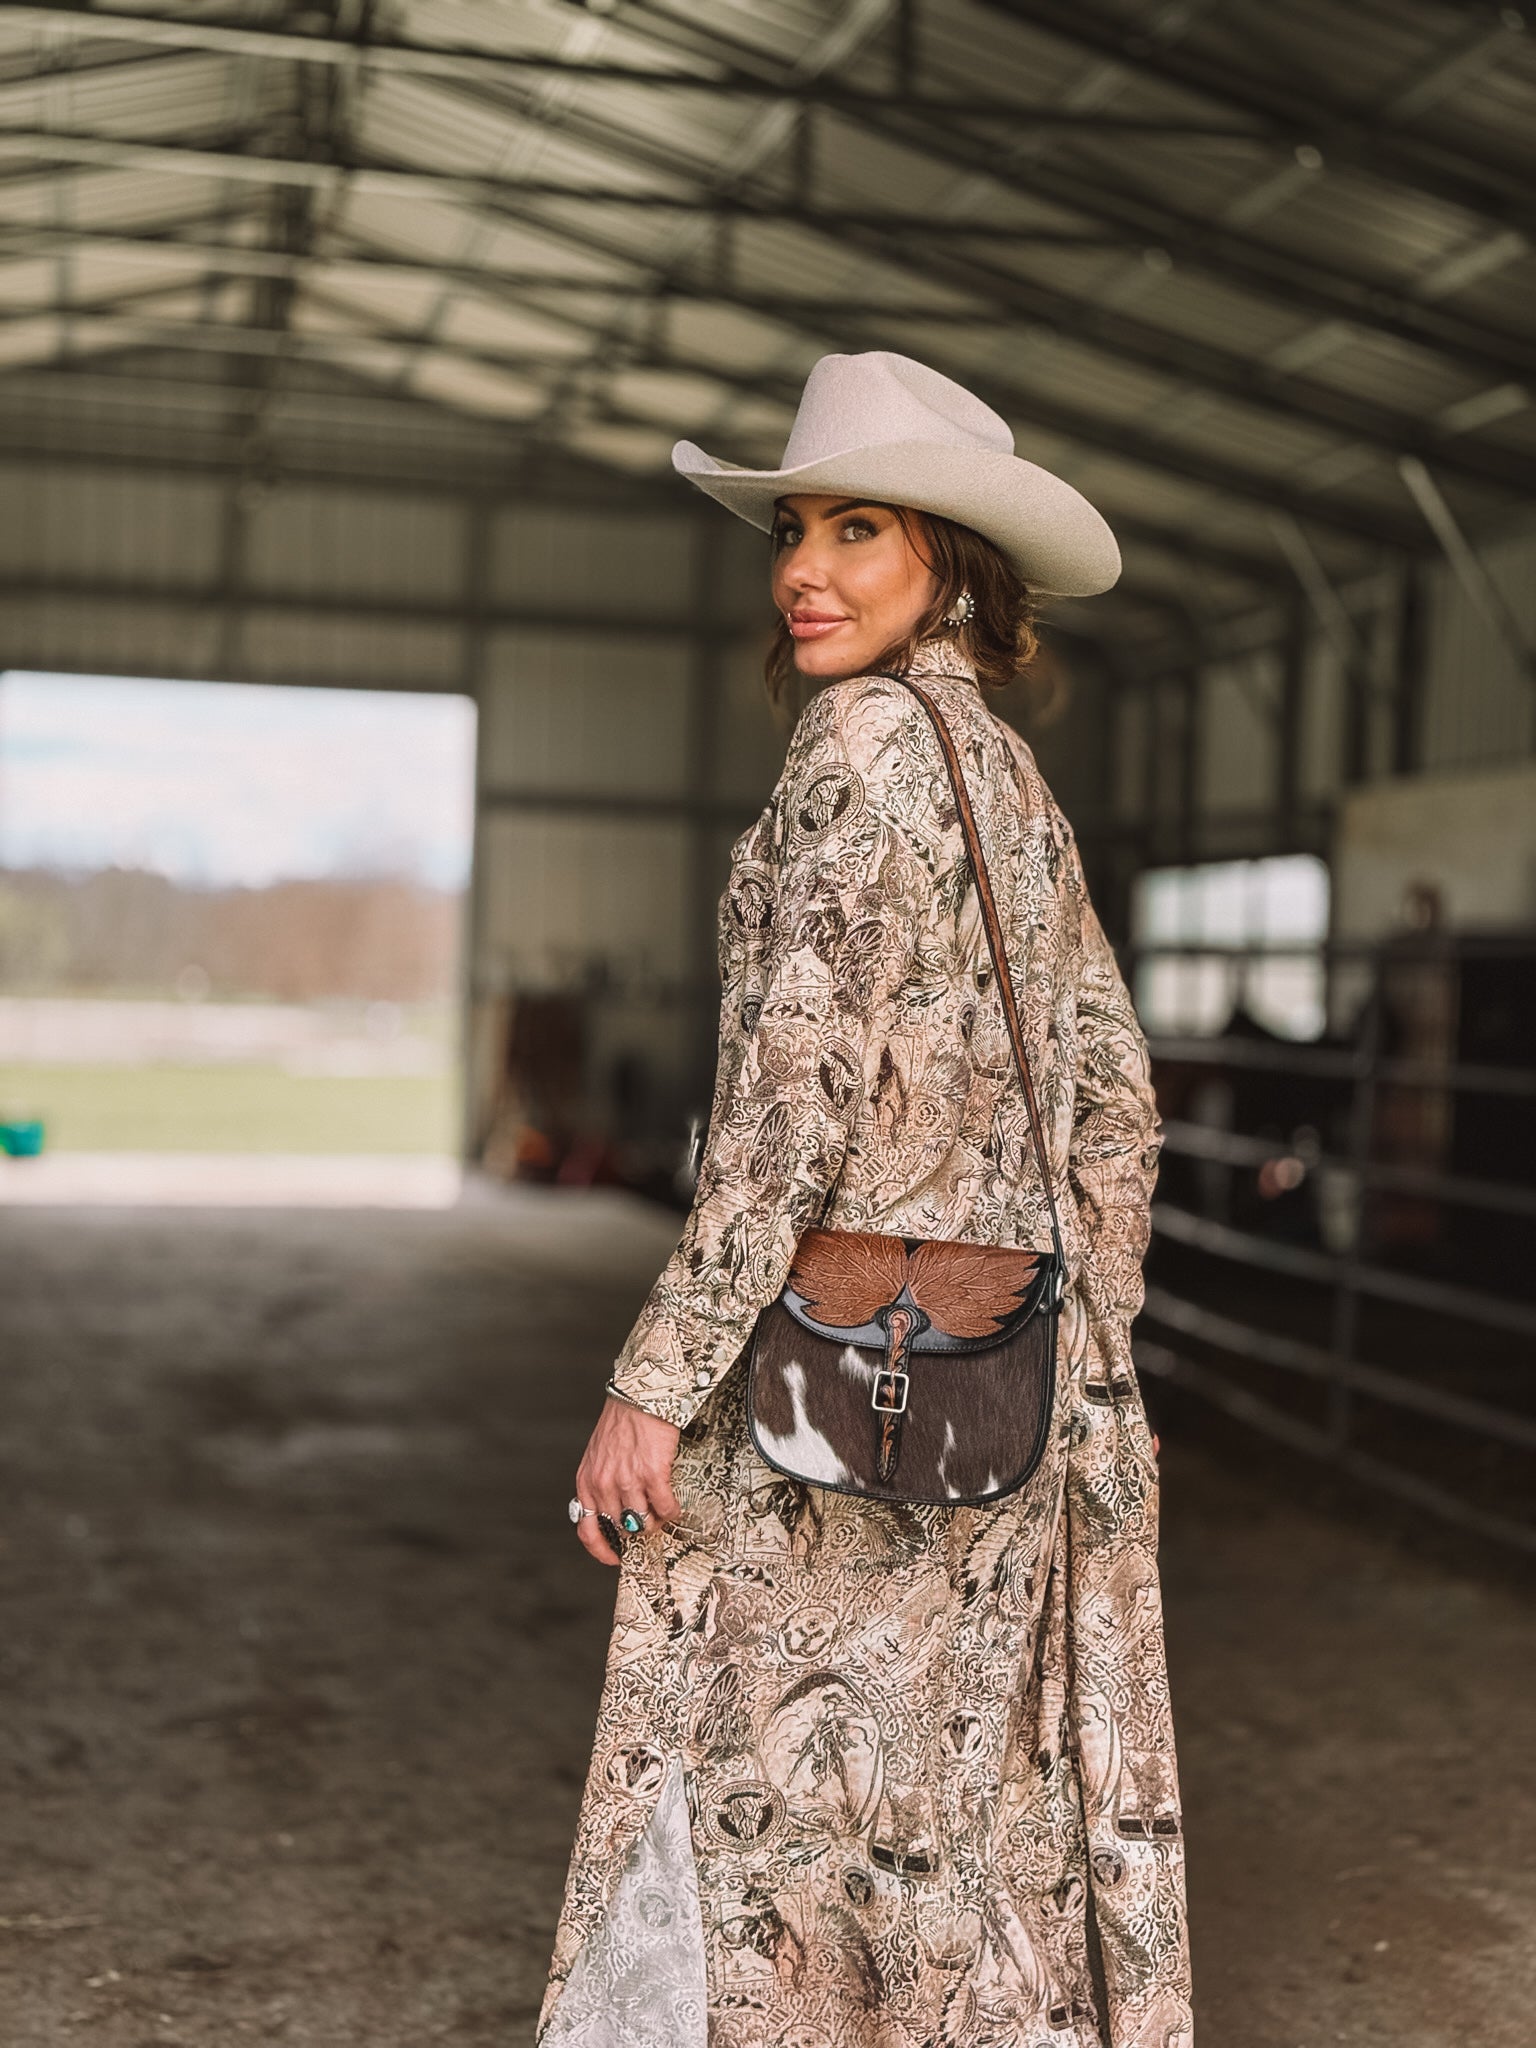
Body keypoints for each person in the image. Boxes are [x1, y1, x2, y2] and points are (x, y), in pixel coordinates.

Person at [539, 352, 1193, 2048]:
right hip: (1012, 1424)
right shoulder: (1009, 787)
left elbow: (782, 1115)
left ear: (952, 566)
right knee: (959, 1828)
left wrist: (652, 1381)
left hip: (826, 1402)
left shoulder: (857, 751)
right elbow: (1123, 1097)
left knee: (774, 1818)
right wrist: (1062, 1324)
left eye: (859, 531)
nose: (803, 571)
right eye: (795, 531)